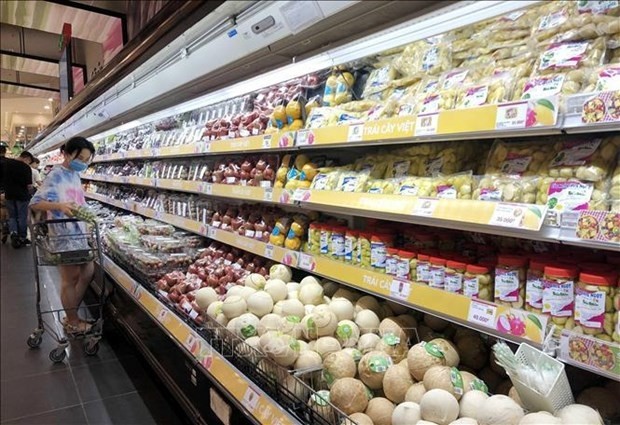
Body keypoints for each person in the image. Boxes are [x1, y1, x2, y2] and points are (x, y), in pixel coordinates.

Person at [30, 137, 96, 333]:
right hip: (62, 234)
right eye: (80, 158)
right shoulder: (55, 175)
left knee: (88, 272)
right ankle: (74, 322)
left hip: (78, 233)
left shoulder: (74, 174)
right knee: (71, 278)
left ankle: (70, 315)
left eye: (86, 160)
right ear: (67, 154)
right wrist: (59, 206)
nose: (83, 163)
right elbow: (34, 203)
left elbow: (77, 201)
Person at [2, 150, 35, 246]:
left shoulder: (6, 164)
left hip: (9, 195)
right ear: (27, 158)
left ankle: (14, 234)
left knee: (12, 216)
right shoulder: (26, 168)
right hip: (22, 196)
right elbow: (29, 186)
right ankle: (22, 237)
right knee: (22, 217)